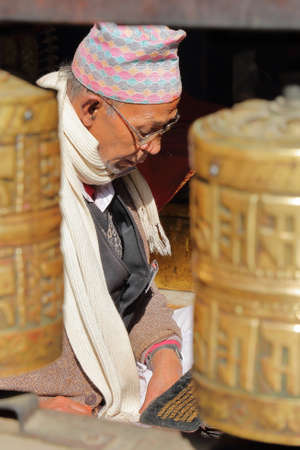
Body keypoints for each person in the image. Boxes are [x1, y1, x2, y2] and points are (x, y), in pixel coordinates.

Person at [0, 22, 189, 423]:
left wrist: (165, 358)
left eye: (164, 129)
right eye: (144, 132)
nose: (153, 148)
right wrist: (24, 407)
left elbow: (136, 293)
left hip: (112, 388)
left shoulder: (108, 178)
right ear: (90, 109)